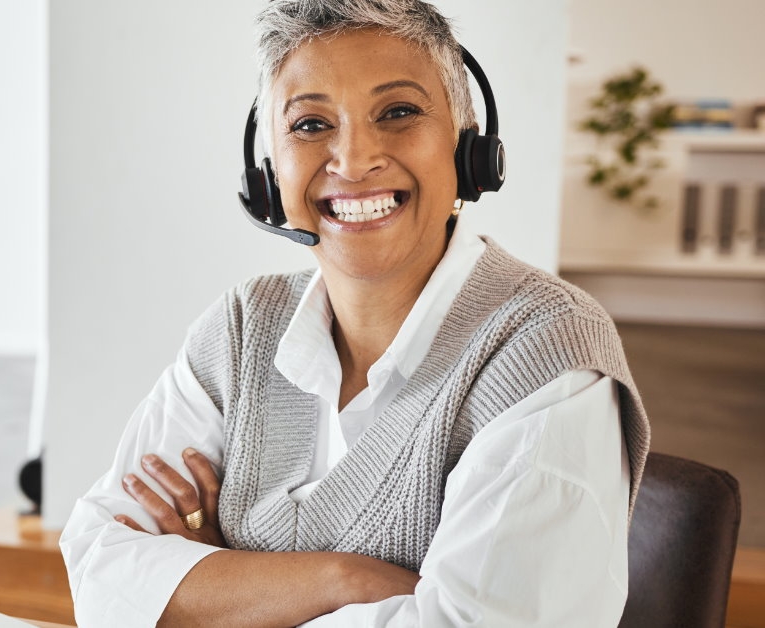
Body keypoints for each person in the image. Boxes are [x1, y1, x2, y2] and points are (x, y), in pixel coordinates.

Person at [60, 1, 650, 626]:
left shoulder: (545, 354)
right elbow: (100, 570)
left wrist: (220, 592)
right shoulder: (240, 329)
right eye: (310, 125)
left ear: (469, 151)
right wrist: (346, 578)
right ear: (268, 178)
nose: (353, 159)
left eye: (398, 112)